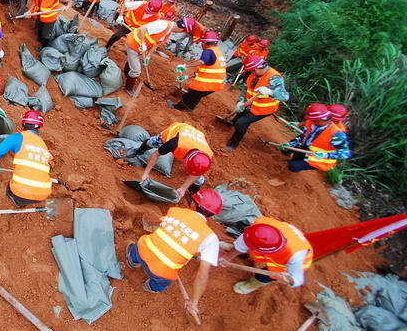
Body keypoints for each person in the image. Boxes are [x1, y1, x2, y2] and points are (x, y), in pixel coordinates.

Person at [125, 189, 223, 320]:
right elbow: (202, 276)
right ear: (212, 215)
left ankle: (132, 261)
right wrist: (193, 303)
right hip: (161, 272)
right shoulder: (211, 239)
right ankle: (151, 287)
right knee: (162, 282)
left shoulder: (175, 211)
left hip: (143, 250)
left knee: (136, 249)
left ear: (193, 204)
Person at [224, 217, 313, 294]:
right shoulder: (259, 228)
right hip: (285, 241)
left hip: (285, 264)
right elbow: (244, 241)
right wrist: (227, 257)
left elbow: (298, 279)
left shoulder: (296, 257)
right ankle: (246, 253)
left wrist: (290, 280)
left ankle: (251, 285)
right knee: (248, 246)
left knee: (265, 276)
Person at [0, 110, 53, 207]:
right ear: (39, 129)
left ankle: (17, 201)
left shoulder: (18, 137)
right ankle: (22, 201)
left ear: (23, 125)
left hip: (21, 192)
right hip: (44, 193)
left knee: (12, 190)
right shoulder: (43, 145)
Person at [128, 121, 213, 198]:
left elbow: (197, 173)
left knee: (199, 180)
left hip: (196, 138)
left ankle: (192, 194)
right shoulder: (174, 144)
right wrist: (146, 173)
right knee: (152, 142)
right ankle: (138, 151)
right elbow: (156, 154)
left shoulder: (207, 158)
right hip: (179, 130)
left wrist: (183, 188)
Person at [223, 55, 289, 151]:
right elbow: (246, 88)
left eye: (253, 70)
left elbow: (285, 96)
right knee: (240, 113)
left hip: (263, 109)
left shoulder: (274, 78)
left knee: (241, 123)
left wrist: (270, 92)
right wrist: (241, 101)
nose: (252, 72)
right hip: (250, 103)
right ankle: (231, 123)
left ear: (260, 67)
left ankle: (233, 145)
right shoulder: (254, 74)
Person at [122, 17, 187, 96]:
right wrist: (142, 43)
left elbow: (156, 44)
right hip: (133, 43)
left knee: (134, 62)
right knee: (136, 71)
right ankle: (128, 88)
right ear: (181, 29)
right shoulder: (162, 25)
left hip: (140, 48)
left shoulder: (169, 32)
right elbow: (143, 29)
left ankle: (126, 73)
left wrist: (148, 56)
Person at [280, 103, 351, 173]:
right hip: (308, 148)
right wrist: (291, 144)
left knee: (294, 166)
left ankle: (295, 164)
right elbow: (304, 136)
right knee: (293, 158)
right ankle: (291, 156)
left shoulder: (337, 133)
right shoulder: (313, 123)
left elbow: (345, 153)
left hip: (320, 160)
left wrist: (325, 154)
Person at [169, 31, 226, 111]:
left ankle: (179, 107)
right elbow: (205, 71)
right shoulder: (218, 52)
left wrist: (185, 66)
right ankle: (190, 108)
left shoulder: (208, 51)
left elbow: (201, 61)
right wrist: (187, 77)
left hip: (208, 82)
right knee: (198, 95)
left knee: (191, 93)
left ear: (205, 43)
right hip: (217, 84)